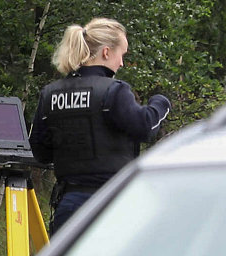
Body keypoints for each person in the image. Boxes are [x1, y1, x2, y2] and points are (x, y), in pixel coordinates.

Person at [29, 18, 170, 233]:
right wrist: (160, 103)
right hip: (111, 203)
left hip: (69, 204)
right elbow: (145, 127)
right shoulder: (114, 90)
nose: (121, 63)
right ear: (106, 52)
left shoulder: (51, 93)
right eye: (121, 54)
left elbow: (40, 151)